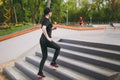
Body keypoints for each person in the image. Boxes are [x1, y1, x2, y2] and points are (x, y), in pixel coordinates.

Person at [37, 7, 61, 78]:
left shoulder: (45, 20)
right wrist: (48, 38)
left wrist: (53, 28)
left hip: (42, 40)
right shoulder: (47, 20)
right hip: (46, 40)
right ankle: (53, 62)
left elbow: (46, 28)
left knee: (44, 56)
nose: (52, 13)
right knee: (58, 48)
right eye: (51, 12)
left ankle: (40, 73)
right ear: (49, 13)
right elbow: (43, 29)